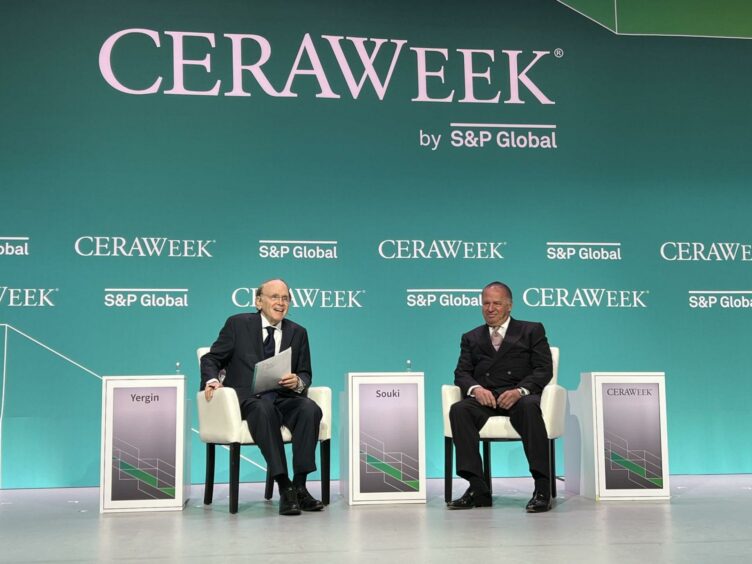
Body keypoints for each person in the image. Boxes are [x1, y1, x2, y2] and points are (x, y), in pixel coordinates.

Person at [200, 278, 323, 516]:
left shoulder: (297, 332)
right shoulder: (237, 324)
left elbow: (305, 372)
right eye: (274, 297)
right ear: (259, 301)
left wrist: (297, 381)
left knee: (310, 409)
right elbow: (211, 359)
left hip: (283, 395)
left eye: (285, 298)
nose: (281, 303)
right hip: (249, 398)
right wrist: (212, 380)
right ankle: (283, 485)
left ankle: (300, 485)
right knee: (262, 410)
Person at [448, 281, 554, 512]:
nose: (490, 308)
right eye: (486, 303)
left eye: (496, 303)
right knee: (460, 410)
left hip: (519, 397)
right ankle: (477, 487)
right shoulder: (471, 337)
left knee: (529, 408)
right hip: (487, 398)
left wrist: (520, 391)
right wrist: (476, 389)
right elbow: (462, 373)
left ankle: (542, 486)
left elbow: (543, 369)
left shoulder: (531, 330)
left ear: (509, 306)